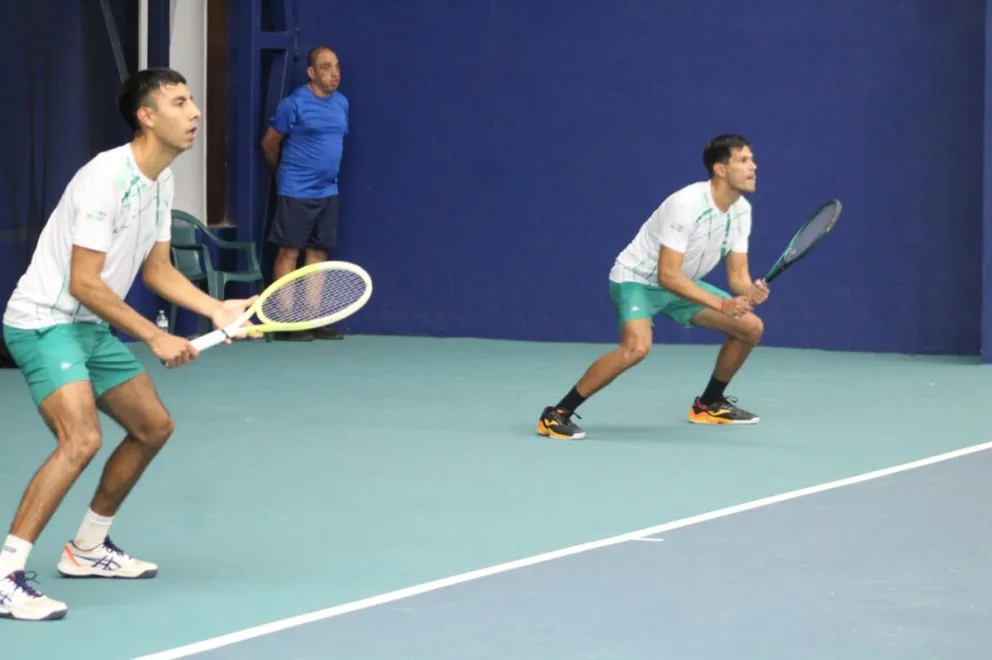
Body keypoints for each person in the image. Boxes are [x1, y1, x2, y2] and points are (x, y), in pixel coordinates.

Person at [0, 67, 258, 621]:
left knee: (152, 426)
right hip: (45, 320)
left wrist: (215, 309)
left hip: (89, 326)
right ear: (147, 116)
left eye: (192, 101)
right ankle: (5, 575)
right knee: (80, 439)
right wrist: (156, 336)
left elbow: (157, 268)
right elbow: (83, 282)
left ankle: (88, 547)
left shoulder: (161, 180)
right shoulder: (105, 179)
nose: (194, 113)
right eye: (179, 103)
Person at [537, 135, 770, 440]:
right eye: (744, 160)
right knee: (636, 348)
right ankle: (557, 413)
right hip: (637, 280)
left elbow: (737, 275)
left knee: (750, 328)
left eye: (752, 159)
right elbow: (666, 276)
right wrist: (723, 304)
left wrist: (749, 292)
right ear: (720, 169)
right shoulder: (686, 204)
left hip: (682, 285)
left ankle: (709, 404)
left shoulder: (742, 211)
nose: (753, 167)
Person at [261, 45, 349, 341]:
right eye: (325, 67)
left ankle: (313, 319)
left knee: (318, 252)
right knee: (289, 251)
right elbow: (270, 143)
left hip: (328, 191)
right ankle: (284, 321)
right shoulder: (294, 104)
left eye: (336, 66)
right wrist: (283, 176)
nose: (334, 73)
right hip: (296, 190)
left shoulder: (342, 104)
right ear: (311, 72)